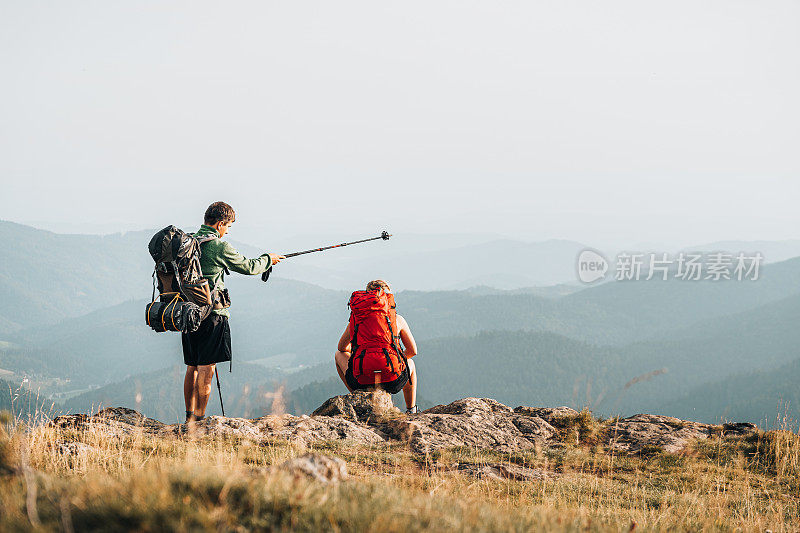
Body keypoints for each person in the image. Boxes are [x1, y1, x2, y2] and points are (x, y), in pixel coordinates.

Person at [182, 201, 285, 423]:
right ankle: (199, 420)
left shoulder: (188, 241)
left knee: (192, 365)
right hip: (212, 315)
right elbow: (249, 267)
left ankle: (189, 416)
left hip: (188, 312)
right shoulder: (219, 246)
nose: (227, 231)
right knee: (206, 367)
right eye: (228, 226)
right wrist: (269, 259)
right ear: (220, 224)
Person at [334, 279, 419, 413]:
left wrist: (361, 353)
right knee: (411, 363)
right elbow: (413, 351)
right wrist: (393, 360)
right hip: (392, 379)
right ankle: (411, 409)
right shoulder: (398, 320)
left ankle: (359, 397)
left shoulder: (357, 320)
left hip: (361, 379)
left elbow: (341, 348)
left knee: (338, 355)